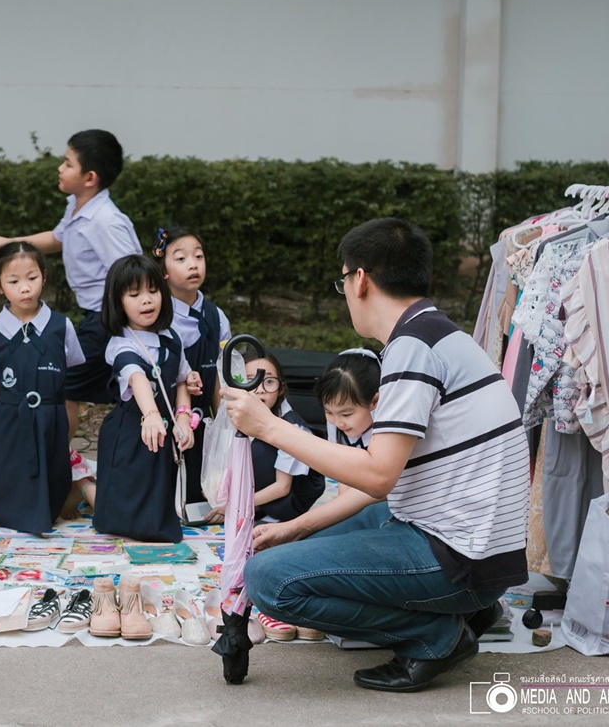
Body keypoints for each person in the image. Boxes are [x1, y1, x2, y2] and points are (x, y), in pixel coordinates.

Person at [223, 217, 529, 693]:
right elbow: (384, 486)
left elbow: (377, 475)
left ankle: (435, 636)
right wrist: (296, 526)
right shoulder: (442, 335)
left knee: (268, 580)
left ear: (359, 279)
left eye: (341, 281)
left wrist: (269, 427)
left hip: (459, 558)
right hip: (479, 551)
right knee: (300, 544)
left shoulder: (412, 349)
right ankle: (469, 611)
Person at [0, 129, 142, 447]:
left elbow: (133, 274)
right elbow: (58, 238)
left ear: (90, 177)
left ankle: (58, 460)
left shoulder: (105, 221)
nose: (60, 168)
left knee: (64, 383)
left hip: (108, 318)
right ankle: (60, 459)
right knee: (69, 383)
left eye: (68, 163)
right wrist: (12, 242)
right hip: (94, 315)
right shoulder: (77, 206)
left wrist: (131, 324)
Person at [249, 351, 377, 642]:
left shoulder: (388, 434)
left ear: (375, 401)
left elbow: (365, 495)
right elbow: (347, 488)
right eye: (330, 414)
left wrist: (296, 527)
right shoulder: (341, 426)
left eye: (346, 414)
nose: (338, 421)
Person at [0, 242, 85, 534]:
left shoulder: (61, 326)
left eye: (32, 278)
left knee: (52, 471)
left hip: (51, 415)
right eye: (13, 281)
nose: (24, 288)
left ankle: (48, 511)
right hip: (10, 418)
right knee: (7, 470)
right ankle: (2, 511)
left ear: (45, 277)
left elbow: (71, 364)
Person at [93, 255, 193, 543]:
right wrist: (150, 415)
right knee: (118, 515)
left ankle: (90, 488)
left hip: (164, 433)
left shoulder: (172, 336)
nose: (146, 301)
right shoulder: (120, 344)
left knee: (157, 513)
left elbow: (182, 379)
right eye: (134, 294)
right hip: (130, 433)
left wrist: (183, 417)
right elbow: (137, 377)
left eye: (152, 291)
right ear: (117, 300)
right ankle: (87, 488)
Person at [153, 226, 230, 507]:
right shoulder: (158, 316)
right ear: (163, 270)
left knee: (200, 491)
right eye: (181, 258)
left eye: (198, 256)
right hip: (165, 417)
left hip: (203, 418)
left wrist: (225, 423)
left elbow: (222, 373)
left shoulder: (215, 315)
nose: (193, 264)